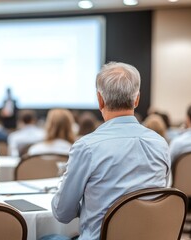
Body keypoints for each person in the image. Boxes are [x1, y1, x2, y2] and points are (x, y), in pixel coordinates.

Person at [45, 62, 170, 240]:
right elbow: (159, 199)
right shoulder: (160, 144)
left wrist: (91, 206)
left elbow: (62, 213)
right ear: (137, 99)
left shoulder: (87, 147)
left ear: (100, 100)